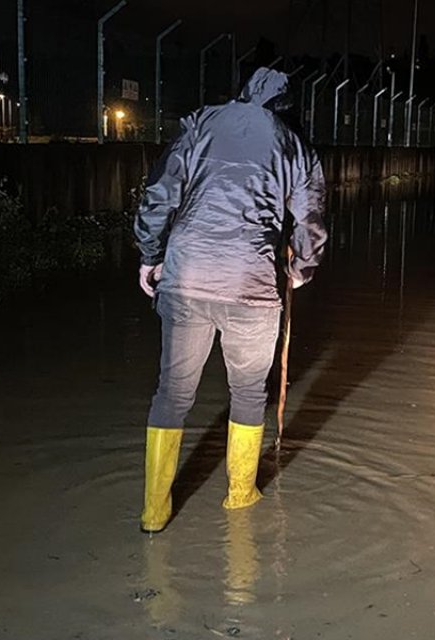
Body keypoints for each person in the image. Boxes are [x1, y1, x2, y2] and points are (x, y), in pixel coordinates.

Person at [133, 67, 327, 533]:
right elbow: (311, 217)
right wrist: (301, 270)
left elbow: (160, 192)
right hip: (252, 287)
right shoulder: (292, 144)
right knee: (247, 392)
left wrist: (150, 254)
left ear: (242, 94)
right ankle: (240, 495)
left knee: (173, 393)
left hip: (187, 277)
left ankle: (154, 511)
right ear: (284, 106)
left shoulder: (200, 123)